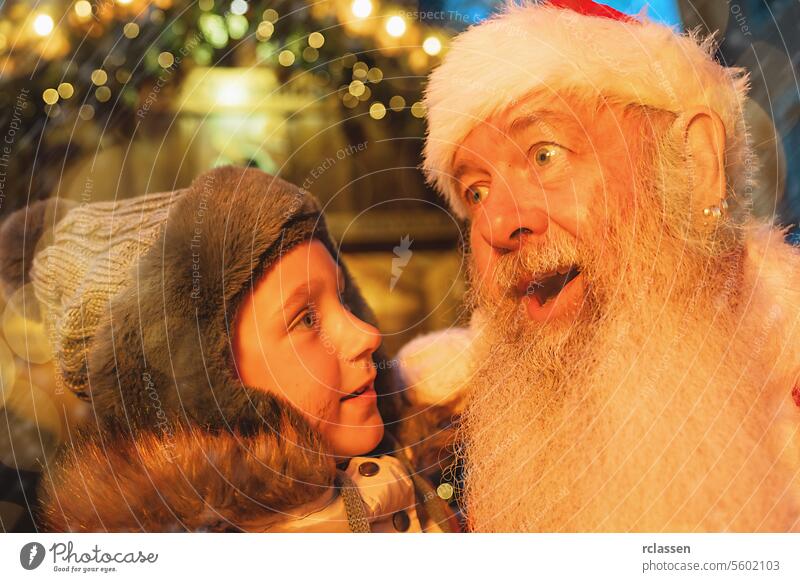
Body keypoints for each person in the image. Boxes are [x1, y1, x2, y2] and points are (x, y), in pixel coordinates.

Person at [398, 0, 800, 531]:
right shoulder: (442, 453)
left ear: (694, 165)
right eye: (475, 191)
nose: (495, 225)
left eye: (545, 155)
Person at [0, 165, 456, 532]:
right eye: (307, 319)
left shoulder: (425, 472)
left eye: (342, 298)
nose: (366, 335)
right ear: (199, 386)